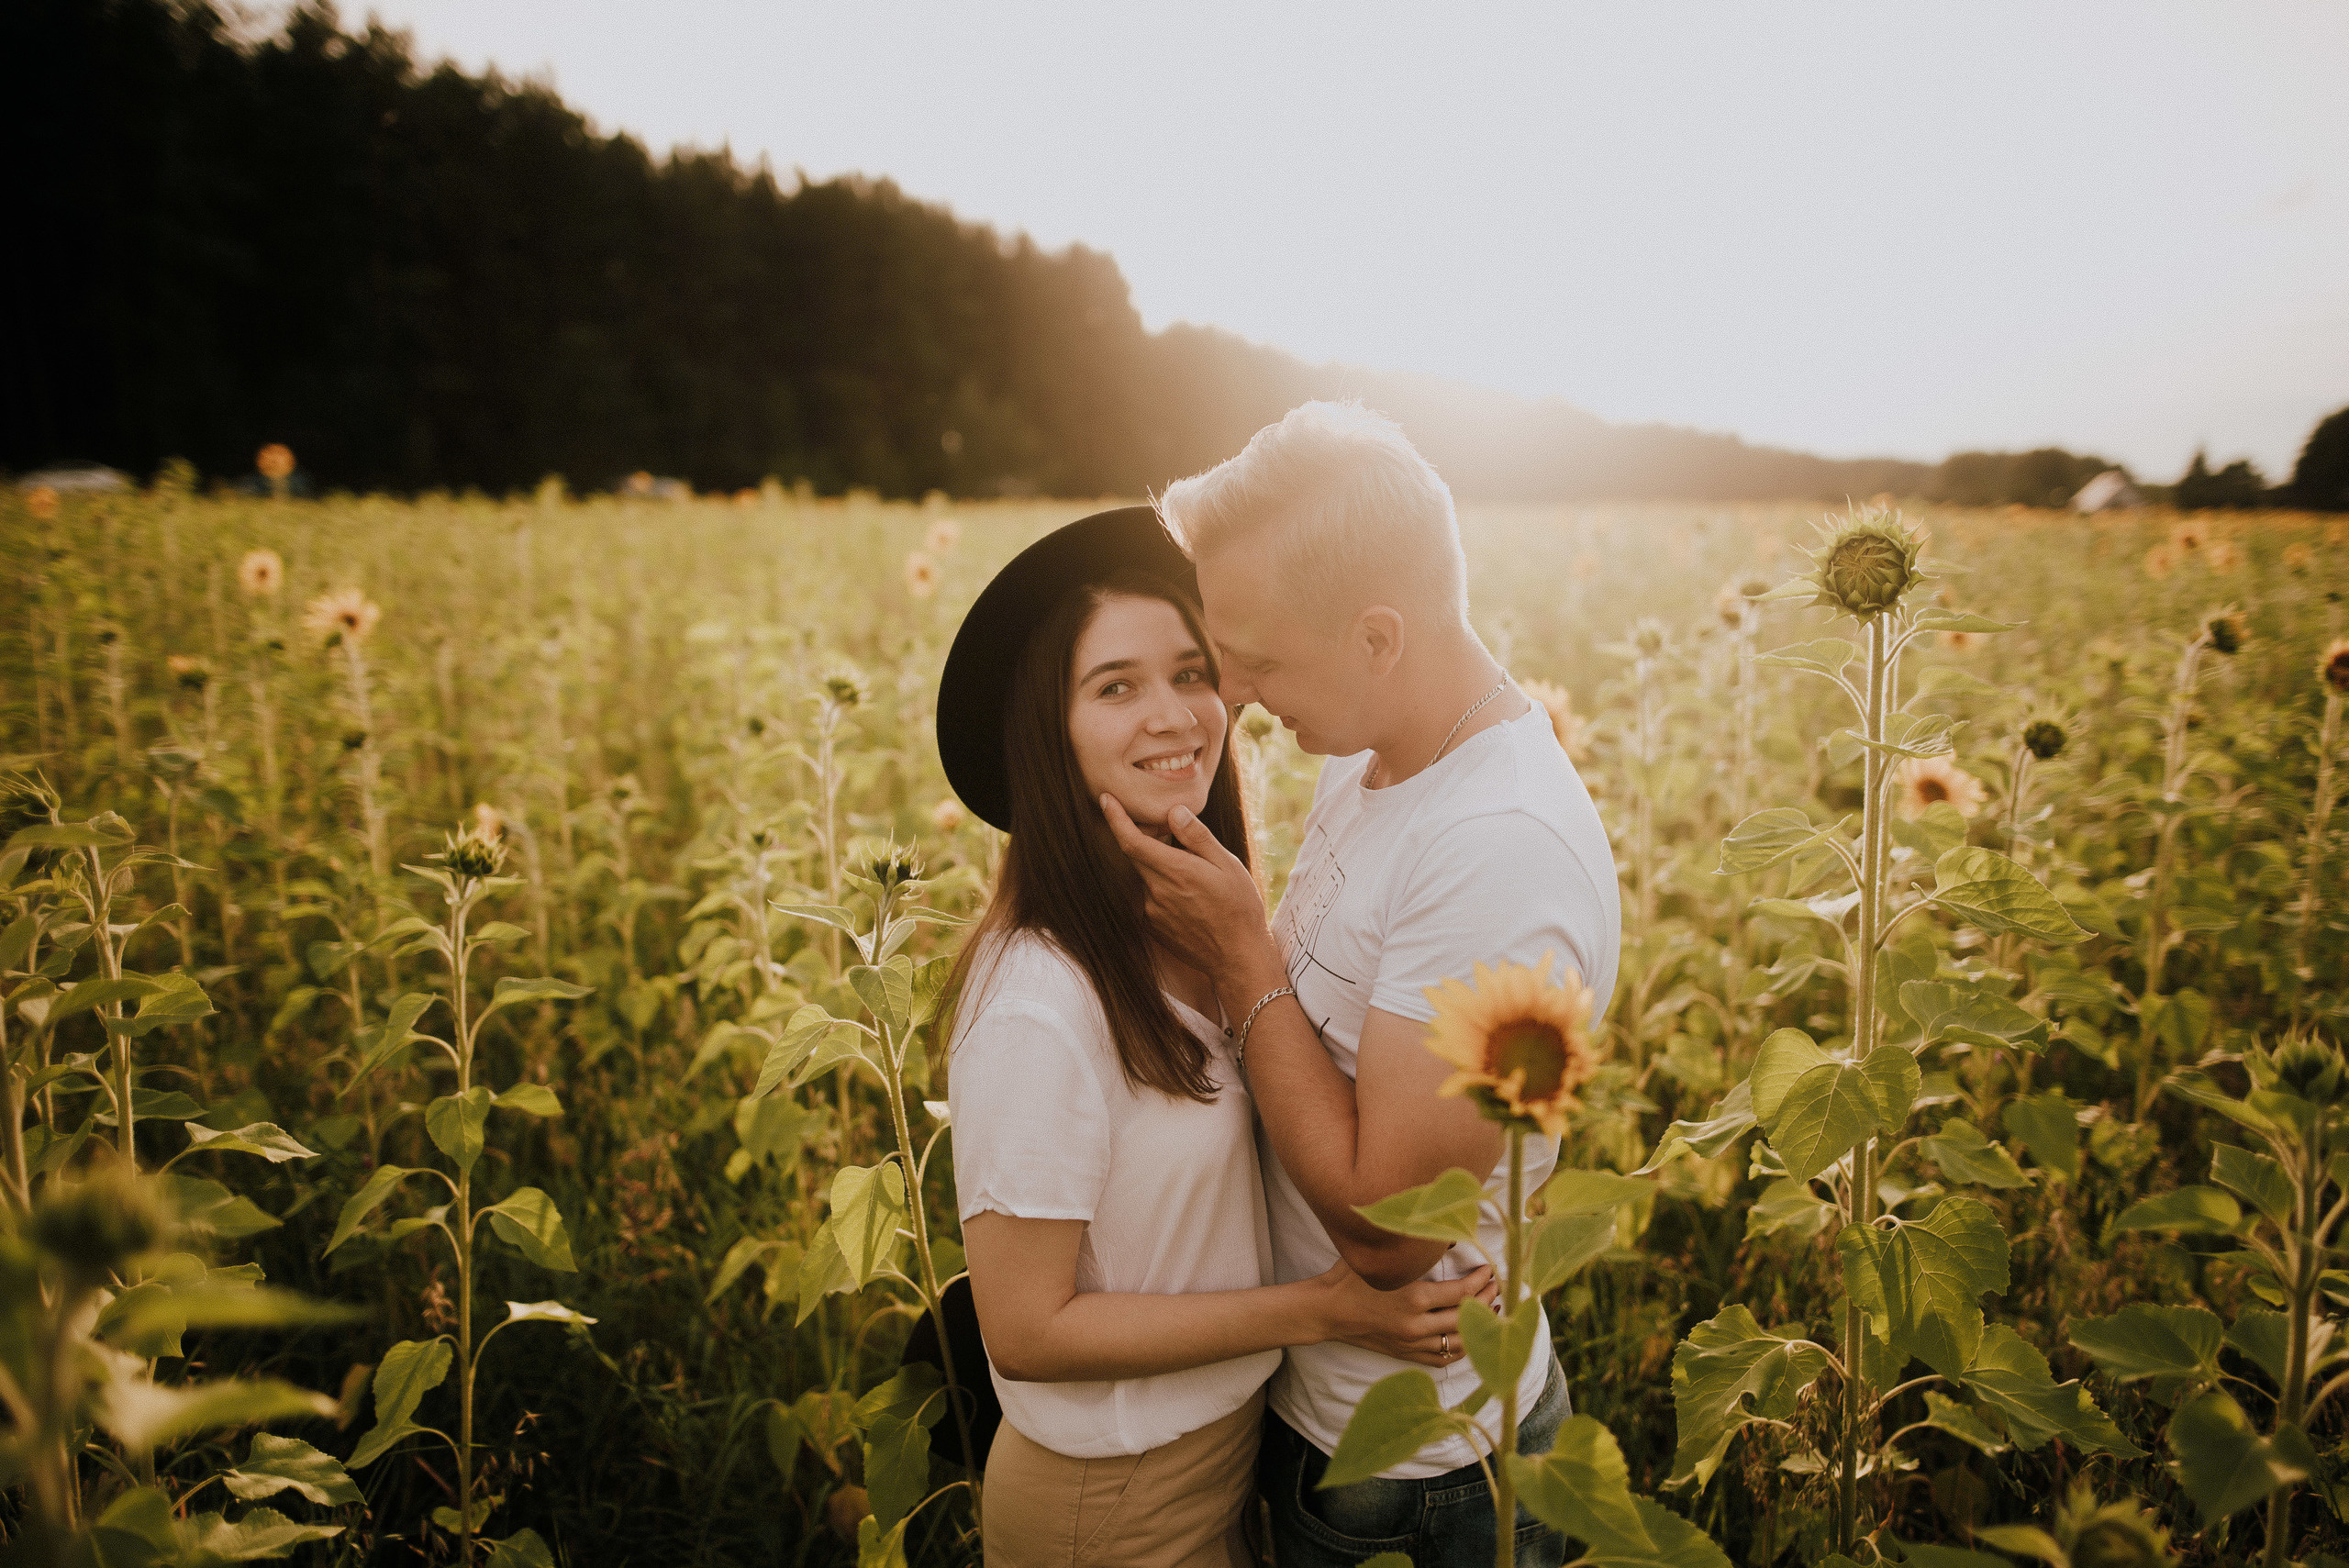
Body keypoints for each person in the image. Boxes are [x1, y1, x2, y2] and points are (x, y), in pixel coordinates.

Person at [1102, 403, 1622, 1567]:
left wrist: (1241, 950)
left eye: (1259, 657)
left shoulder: (1496, 847)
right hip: (1320, 1413)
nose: (1228, 691)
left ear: (1378, 637)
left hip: (1420, 1482)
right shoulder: (1374, 754)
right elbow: (1316, 1031)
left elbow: (1395, 1228)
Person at [933, 506, 1497, 1568]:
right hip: (1109, 1504)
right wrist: (1327, 1308)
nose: (1176, 715)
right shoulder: (1037, 999)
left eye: (1192, 673)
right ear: (1044, 734)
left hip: (1226, 1459)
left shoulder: (1199, 921)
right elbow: (1026, 1327)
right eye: (1115, 686)